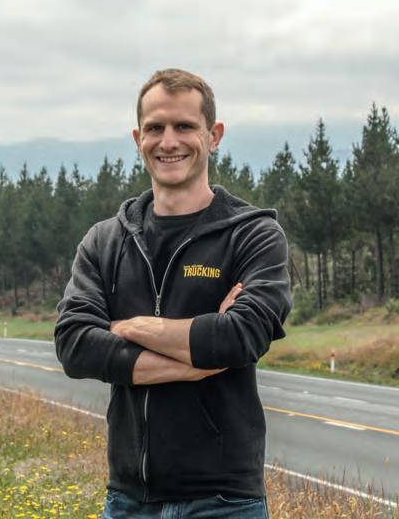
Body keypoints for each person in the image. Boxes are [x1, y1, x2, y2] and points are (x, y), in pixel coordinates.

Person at [55, 68, 291, 519]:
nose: (168, 142)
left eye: (184, 126)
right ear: (137, 138)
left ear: (214, 135)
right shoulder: (106, 241)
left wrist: (127, 328)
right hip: (128, 500)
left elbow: (241, 337)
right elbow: (74, 344)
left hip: (225, 502)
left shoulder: (253, 235)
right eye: (155, 128)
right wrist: (197, 361)